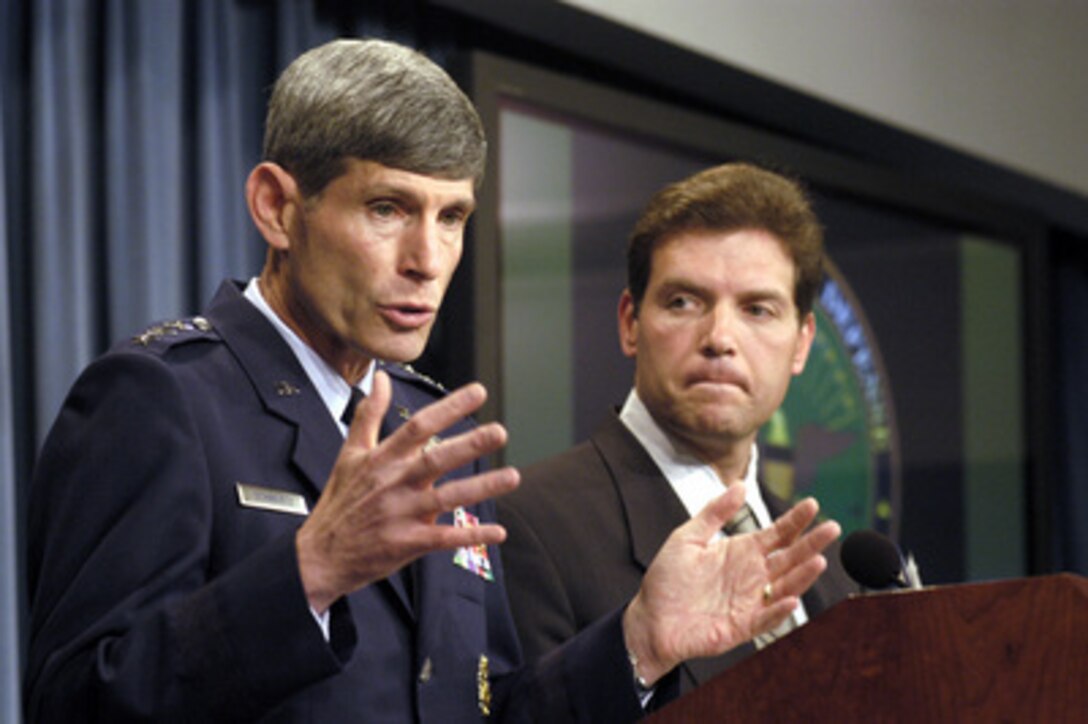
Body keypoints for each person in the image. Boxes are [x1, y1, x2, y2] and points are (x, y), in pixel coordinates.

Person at [24, 40, 839, 723]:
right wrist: (307, 573)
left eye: (451, 217)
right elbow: (74, 702)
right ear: (277, 208)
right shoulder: (161, 399)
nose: (426, 259)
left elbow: (489, 710)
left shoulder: (432, 428)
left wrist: (638, 642)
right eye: (388, 208)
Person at [497, 162, 858, 698]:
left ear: (802, 343)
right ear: (629, 322)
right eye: (684, 302)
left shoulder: (832, 573)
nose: (719, 338)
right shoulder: (528, 525)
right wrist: (638, 649)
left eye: (757, 309)